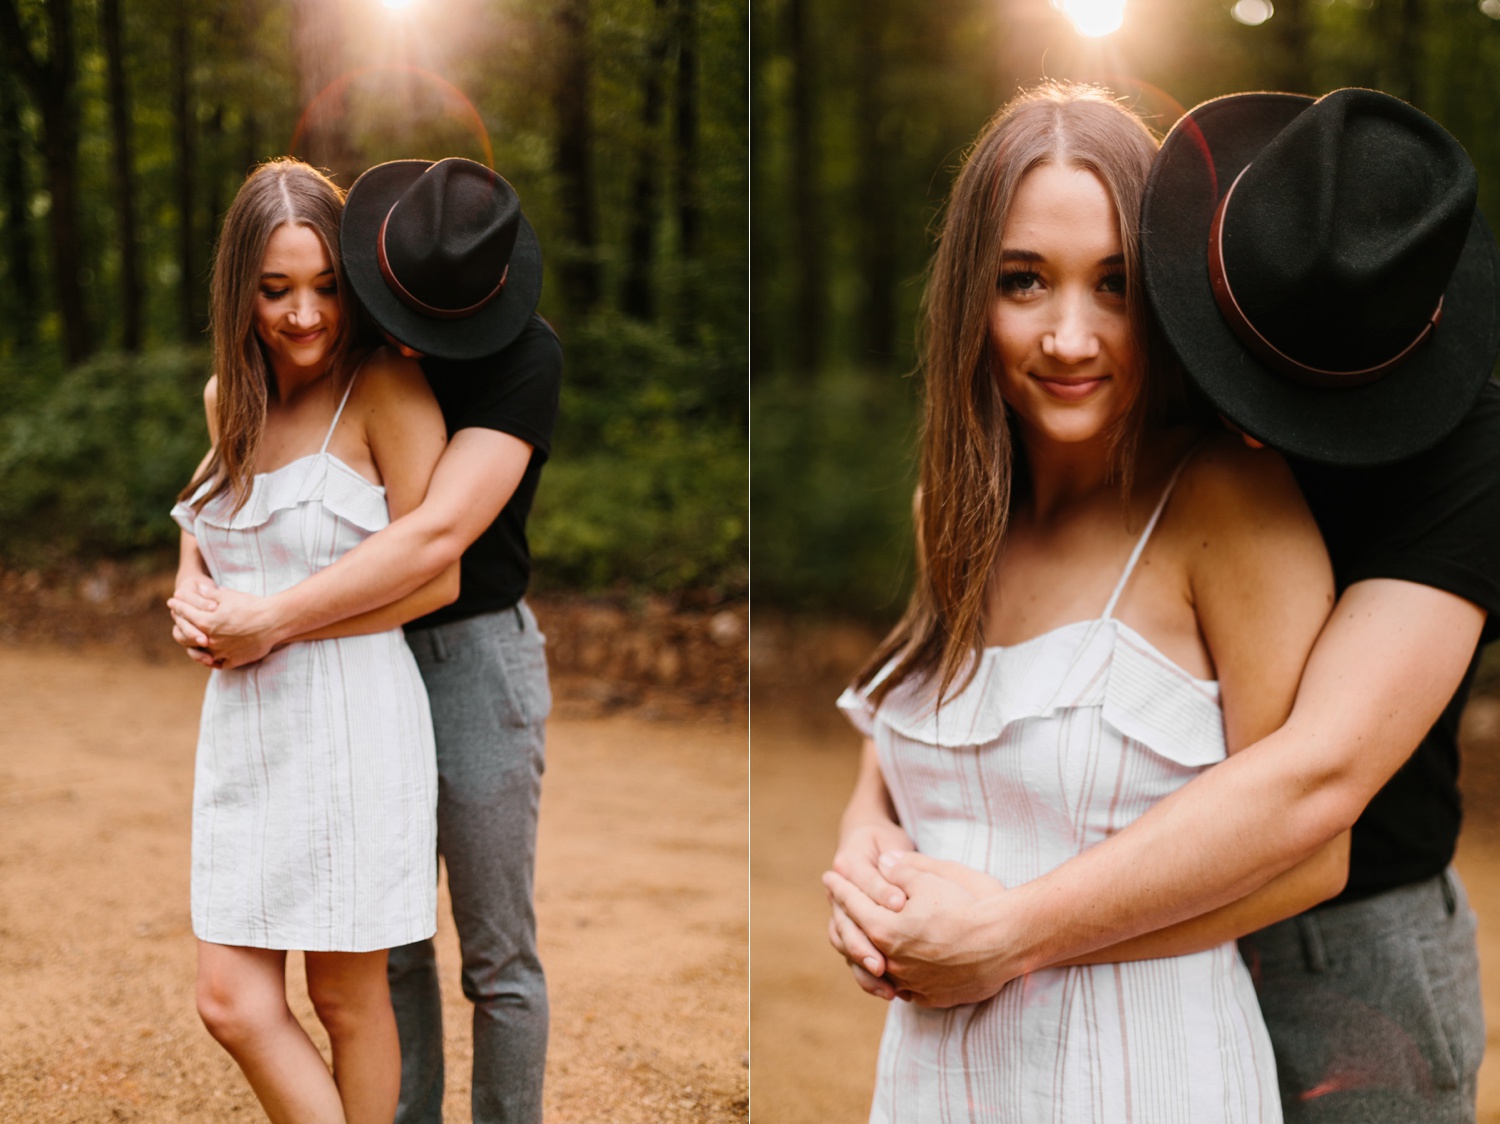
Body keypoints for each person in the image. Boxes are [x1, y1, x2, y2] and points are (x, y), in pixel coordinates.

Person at [825, 88, 1500, 1122]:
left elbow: (1317, 795)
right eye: (1021, 280)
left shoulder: (1414, 464)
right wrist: (870, 835)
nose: (1070, 337)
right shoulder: (969, 505)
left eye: (1116, 287)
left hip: (1345, 941)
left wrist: (1009, 937)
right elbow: (934, 693)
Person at [169, 157, 561, 1124]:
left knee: (494, 952)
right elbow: (233, 487)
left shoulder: (521, 360)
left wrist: (268, 619)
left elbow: (431, 547)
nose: (308, 313)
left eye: (323, 292)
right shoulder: (342, 322)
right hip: (324, 667)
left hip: (466, 648)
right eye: (279, 292)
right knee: (385, 954)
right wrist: (194, 567)